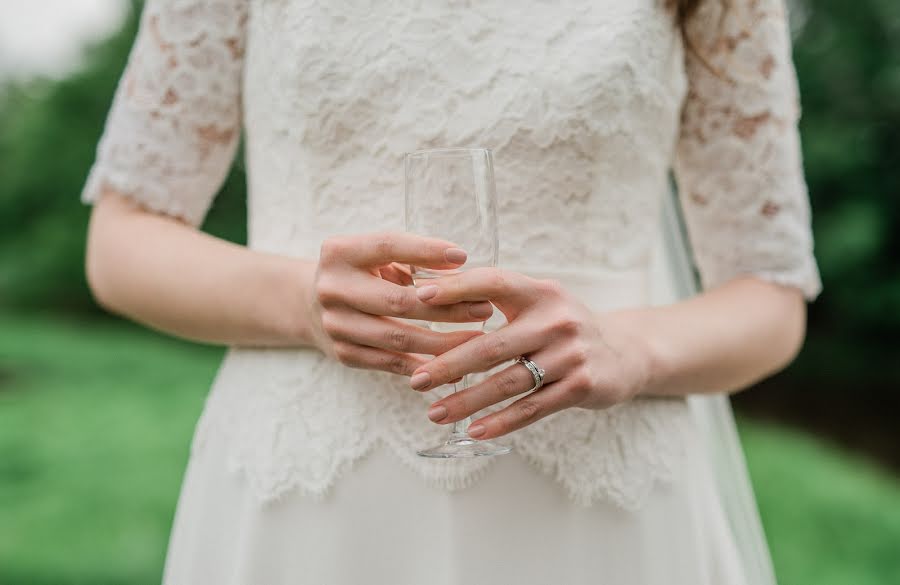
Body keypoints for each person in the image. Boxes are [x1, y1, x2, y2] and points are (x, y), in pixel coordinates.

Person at [81, 0, 822, 583]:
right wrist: (300, 301)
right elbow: (122, 242)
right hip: (307, 496)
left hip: (599, 502)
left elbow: (770, 294)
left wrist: (632, 346)